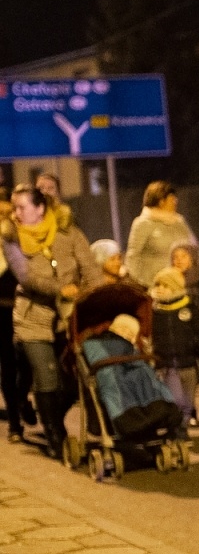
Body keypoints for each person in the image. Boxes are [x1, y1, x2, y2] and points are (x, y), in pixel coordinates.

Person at [2, 185, 95, 458]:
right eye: (14, 207)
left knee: (72, 379)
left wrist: (95, 296)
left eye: (22, 207)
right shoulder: (10, 238)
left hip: (69, 317)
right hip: (32, 318)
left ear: (40, 208)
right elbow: (26, 276)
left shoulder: (69, 232)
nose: (16, 213)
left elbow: (88, 267)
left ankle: (44, 409)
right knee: (46, 375)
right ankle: (56, 436)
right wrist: (60, 290)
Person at [149, 266, 199, 436]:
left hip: (188, 362)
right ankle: (175, 429)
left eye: (165, 286)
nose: (161, 290)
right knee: (176, 399)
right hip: (167, 364)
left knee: (188, 401)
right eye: (158, 285)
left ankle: (182, 426)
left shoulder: (188, 308)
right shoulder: (155, 311)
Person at [0, 185, 35, 442]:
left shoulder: (20, 235)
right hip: (1, 310)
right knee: (8, 364)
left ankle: (22, 398)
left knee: (29, 361)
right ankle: (14, 422)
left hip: (24, 305)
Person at [125, 181, 199, 286]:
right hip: (155, 285)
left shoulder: (179, 221)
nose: (176, 201)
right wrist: (141, 283)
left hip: (181, 283)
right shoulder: (143, 223)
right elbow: (133, 256)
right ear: (161, 201)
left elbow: (193, 248)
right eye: (172, 198)